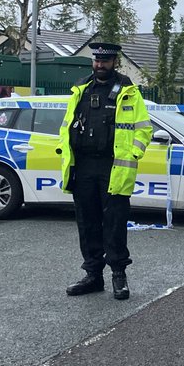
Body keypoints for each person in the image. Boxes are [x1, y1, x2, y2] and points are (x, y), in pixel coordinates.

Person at [57, 41, 153, 300]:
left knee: (114, 224)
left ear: (114, 62)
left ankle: (119, 277)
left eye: (105, 61)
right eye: (97, 60)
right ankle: (93, 276)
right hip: (83, 166)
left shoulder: (128, 91)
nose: (100, 65)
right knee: (87, 224)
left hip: (113, 166)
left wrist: (133, 152)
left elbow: (144, 129)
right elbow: (67, 125)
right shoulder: (81, 89)